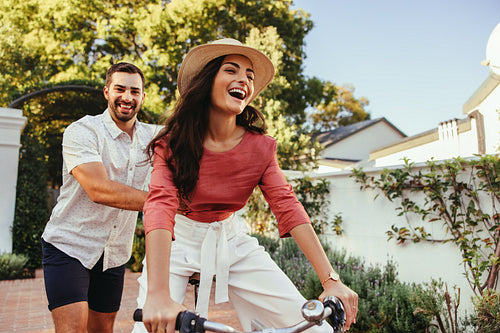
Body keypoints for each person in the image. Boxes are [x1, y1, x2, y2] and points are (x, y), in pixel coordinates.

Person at [134, 38, 358, 333]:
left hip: (232, 240)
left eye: (249, 76)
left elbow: (287, 206)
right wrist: (158, 295)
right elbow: (160, 207)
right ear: (207, 80)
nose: (244, 79)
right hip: (178, 239)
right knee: (150, 326)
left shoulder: (261, 147)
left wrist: (331, 280)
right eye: (231, 70)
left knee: (313, 328)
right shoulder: (171, 144)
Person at [41, 62, 158, 333]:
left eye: (134, 91)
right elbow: (98, 189)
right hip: (69, 246)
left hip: (114, 255)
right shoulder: (82, 131)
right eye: (120, 89)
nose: (127, 97)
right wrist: (166, 204)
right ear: (107, 92)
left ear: (143, 96)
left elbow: (196, 134)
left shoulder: (154, 138)